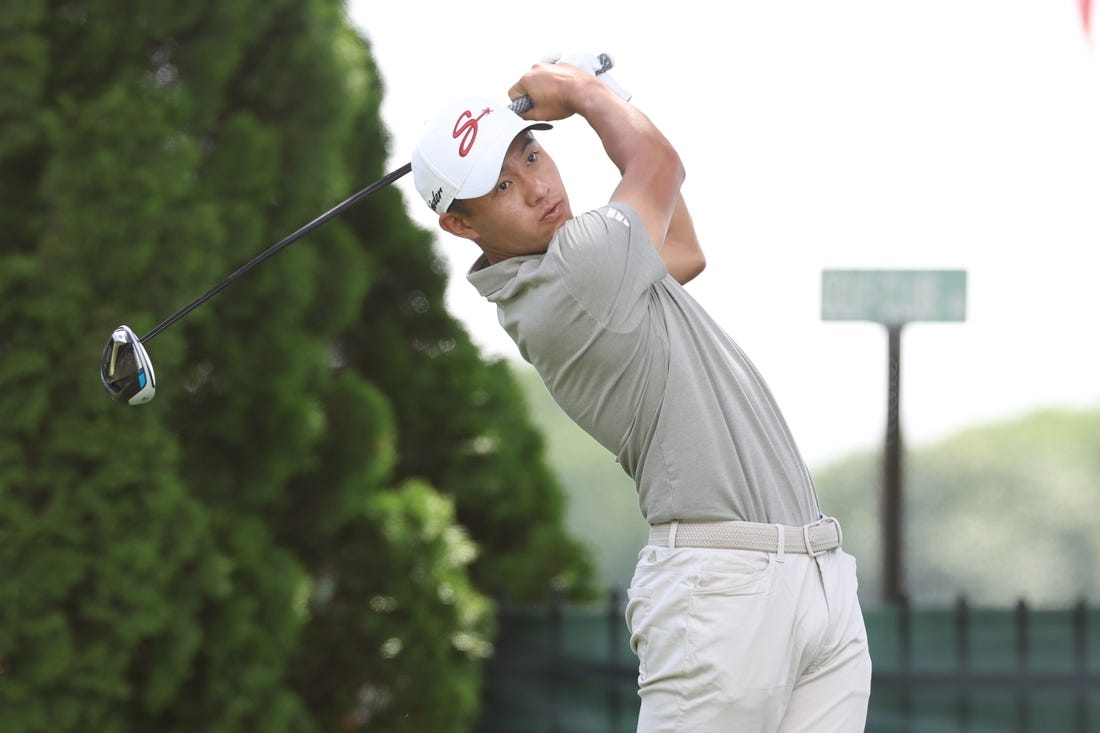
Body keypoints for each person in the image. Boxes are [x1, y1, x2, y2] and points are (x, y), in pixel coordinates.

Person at [411, 56, 872, 732]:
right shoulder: (575, 271)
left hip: (814, 574)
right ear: (462, 226)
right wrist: (584, 91)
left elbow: (683, 246)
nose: (538, 187)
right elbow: (658, 166)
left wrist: (608, 97)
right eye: (504, 184)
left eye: (533, 154)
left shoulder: (599, 262)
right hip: (722, 591)